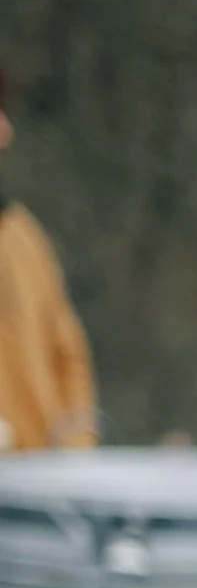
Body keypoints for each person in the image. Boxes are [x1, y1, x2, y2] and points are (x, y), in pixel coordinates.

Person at [0, 56, 98, 455]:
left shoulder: (22, 236)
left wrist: (73, 456)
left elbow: (68, 358)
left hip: (33, 506)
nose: (6, 131)